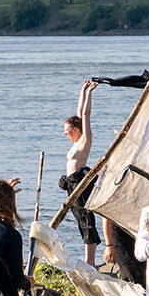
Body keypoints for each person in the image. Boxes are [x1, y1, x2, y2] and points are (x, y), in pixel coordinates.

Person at [60, 80, 100, 267]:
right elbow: (79, 112)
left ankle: (90, 260)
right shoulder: (76, 142)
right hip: (71, 184)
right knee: (78, 217)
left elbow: (85, 114)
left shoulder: (84, 140)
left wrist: (91, 93)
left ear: (76, 130)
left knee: (85, 219)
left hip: (80, 184)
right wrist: (82, 90)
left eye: (68, 131)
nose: (66, 135)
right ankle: (89, 258)